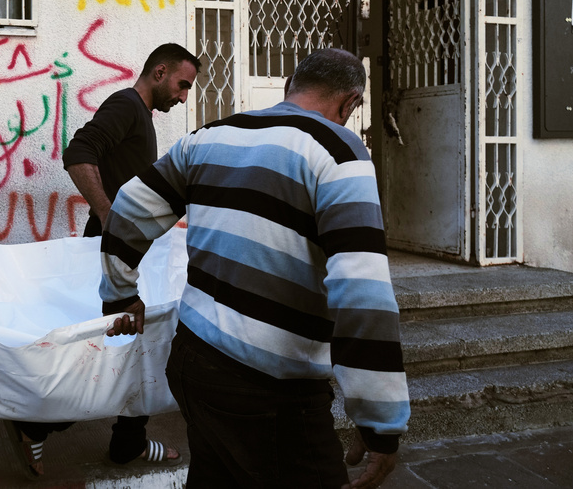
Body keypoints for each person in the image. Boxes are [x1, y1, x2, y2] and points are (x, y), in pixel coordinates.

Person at [100, 48, 410, 489]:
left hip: (192, 362)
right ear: (350, 104)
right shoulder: (339, 152)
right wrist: (379, 419)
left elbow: (129, 207)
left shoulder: (209, 136)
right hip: (271, 391)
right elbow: (363, 293)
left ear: (289, 88)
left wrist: (119, 294)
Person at [8, 43, 200, 477]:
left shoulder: (139, 114)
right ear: (159, 72)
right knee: (111, 345)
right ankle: (40, 423)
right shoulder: (127, 105)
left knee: (136, 343)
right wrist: (108, 214)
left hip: (129, 252)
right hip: (116, 252)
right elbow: (79, 152)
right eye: (182, 85)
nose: (183, 96)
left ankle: (125, 440)